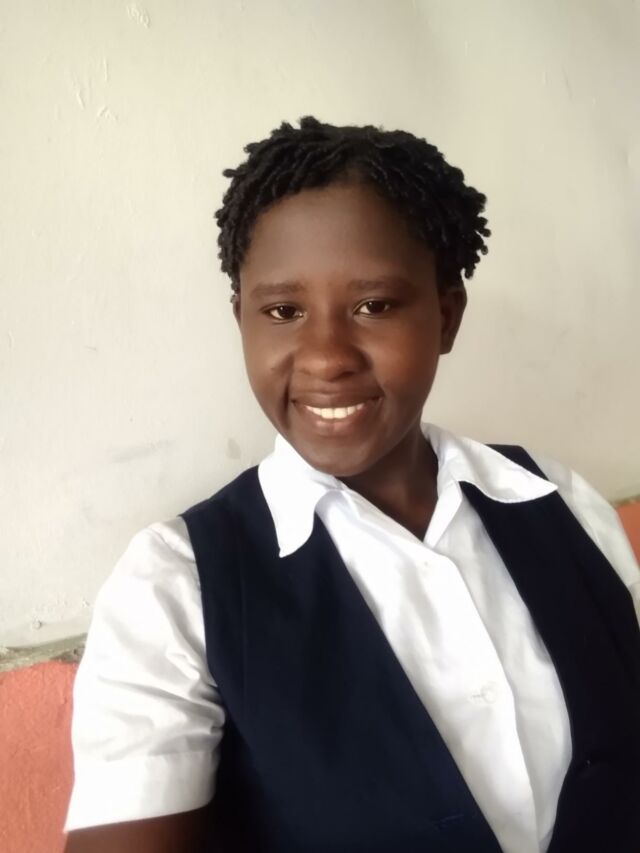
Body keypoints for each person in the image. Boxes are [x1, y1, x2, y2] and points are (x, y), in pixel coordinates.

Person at [64, 117, 640, 853]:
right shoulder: (176, 587)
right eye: (284, 311)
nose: (327, 356)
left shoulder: (559, 500)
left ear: (447, 315)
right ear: (242, 320)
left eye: (375, 305)